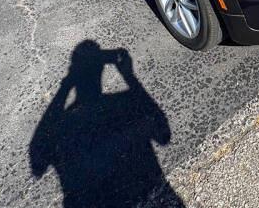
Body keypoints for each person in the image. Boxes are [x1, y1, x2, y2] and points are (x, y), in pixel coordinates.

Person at [29, 41, 179, 207]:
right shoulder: (121, 103)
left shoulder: (66, 121)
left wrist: (66, 86)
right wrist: (128, 75)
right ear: (101, 69)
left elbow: (37, 161)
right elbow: (163, 134)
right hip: (145, 194)